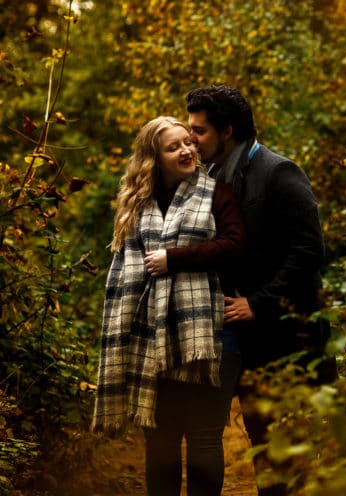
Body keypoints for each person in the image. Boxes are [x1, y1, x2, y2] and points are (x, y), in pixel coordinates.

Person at [186, 84, 335, 496]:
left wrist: (259, 303)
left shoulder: (280, 173)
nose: (192, 140)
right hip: (248, 344)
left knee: (289, 464)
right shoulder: (214, 176)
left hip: (291, 343)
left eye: (199, 131)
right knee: (264, 455)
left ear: (227, 130)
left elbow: (309, 251)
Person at [92, 116, 247, 496]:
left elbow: (235, 244)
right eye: (174, 146)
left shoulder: (216, 193)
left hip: (209, 333)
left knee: (203, 436)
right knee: (160, 441)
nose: (187, 150)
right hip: (147, 338)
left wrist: (173, 258)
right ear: (153, 158)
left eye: (188, 143)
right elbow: (124, 269)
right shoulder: (135, 203)